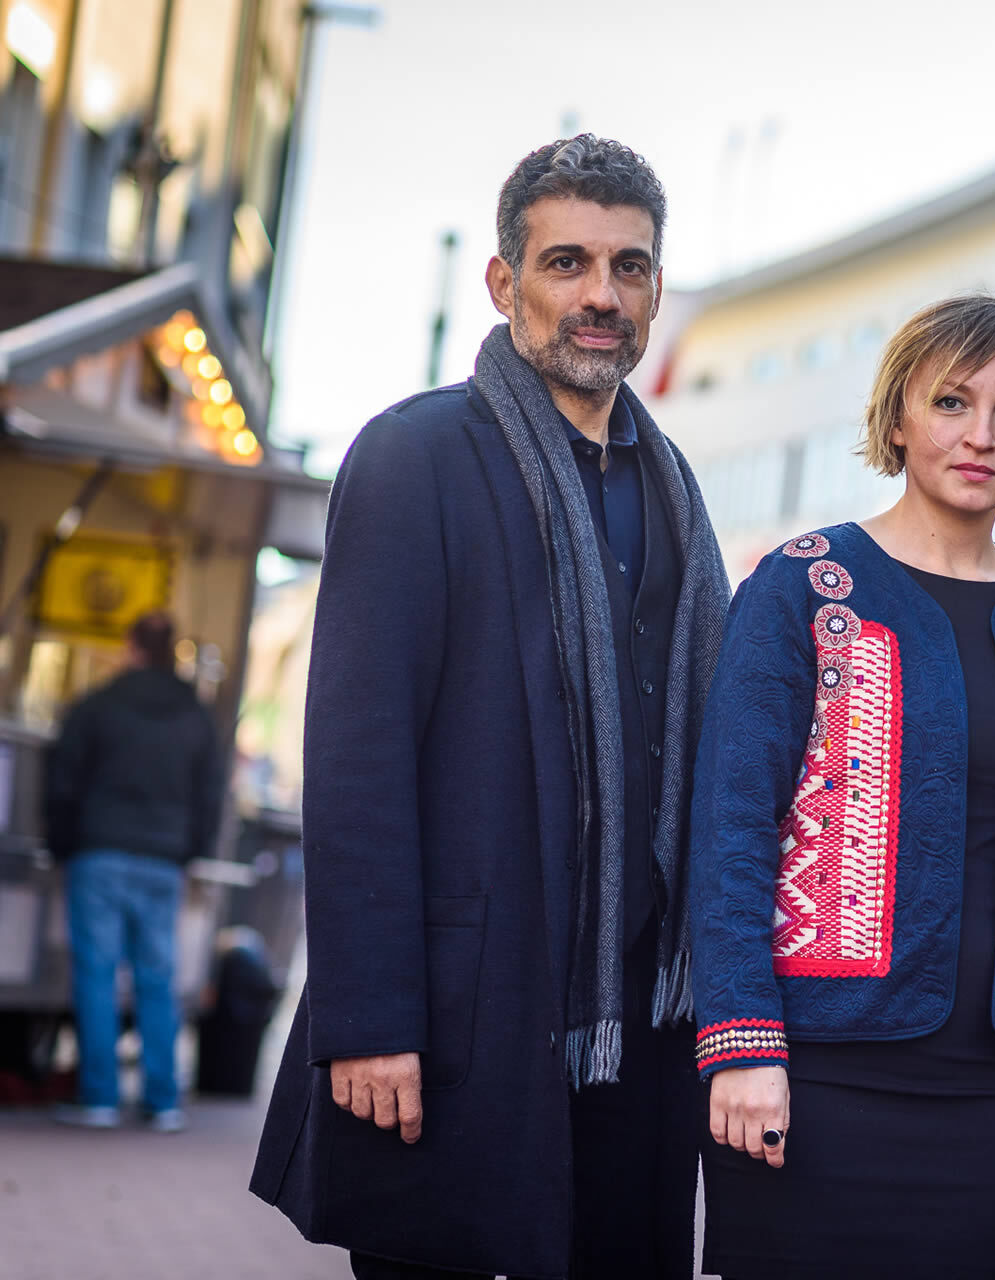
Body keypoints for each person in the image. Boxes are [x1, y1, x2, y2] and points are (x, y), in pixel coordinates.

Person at [250, 135, 731, 1279]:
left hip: (637, 1029)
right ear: (505, 281)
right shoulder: (416, 456)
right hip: (462, 1014)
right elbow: (359, 756)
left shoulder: (674, 490)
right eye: (567, 262)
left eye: (629, 267)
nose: (600, 295)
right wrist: (371, 1019)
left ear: (657, 288)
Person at [689, 294, 995, 1280]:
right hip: (810, 1078)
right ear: (897, 416)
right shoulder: (800, 585)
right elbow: (729, 833)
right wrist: (741, 1043)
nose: (979, 434)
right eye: (951, 401)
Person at [43, 611, 220, 1133]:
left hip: (100, 852)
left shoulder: (99, 704)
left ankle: (98, 1098)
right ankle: (162, 1101)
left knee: (97, 976)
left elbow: (63, 778)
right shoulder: (197, 717)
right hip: (164, 861)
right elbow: (211, 793)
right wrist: (190, 850)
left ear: (131, 646)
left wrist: (62, 844)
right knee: (157, 979)